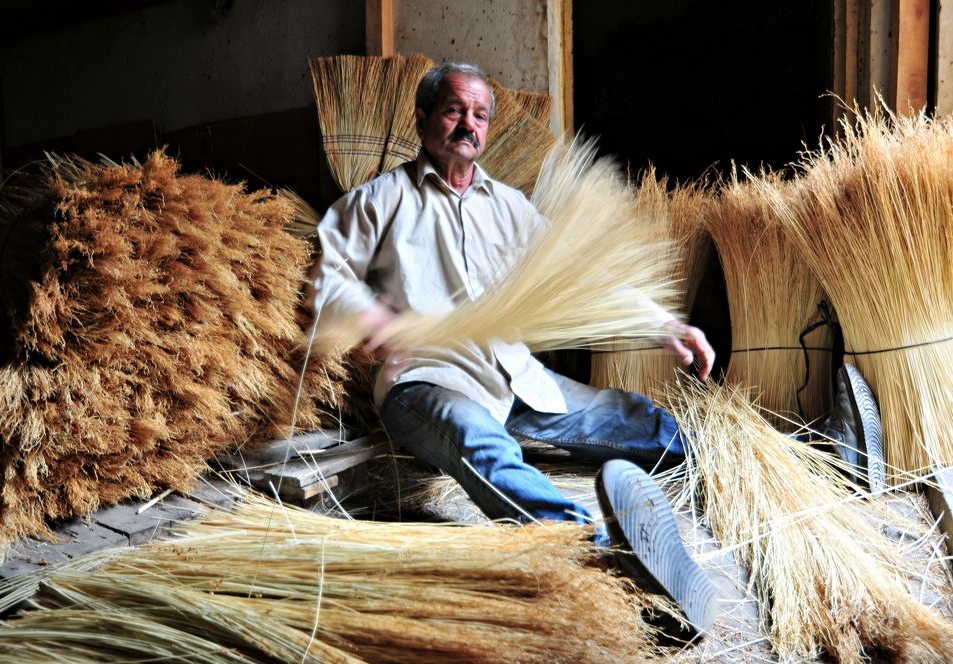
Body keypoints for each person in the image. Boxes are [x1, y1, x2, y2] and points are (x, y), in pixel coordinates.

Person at [309, 61, 879, 641]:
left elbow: (586, 280)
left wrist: (665, 325)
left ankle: (815, 454)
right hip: (427, 384)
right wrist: (372, 316)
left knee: (640, 421)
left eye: (480, 115)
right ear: (423, 117)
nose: (468, 125)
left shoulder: (508, 207)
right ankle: (619, 560)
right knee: (486, 449)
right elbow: (327, 272)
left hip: (514, 377)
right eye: (455, 110)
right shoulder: (379, 201)